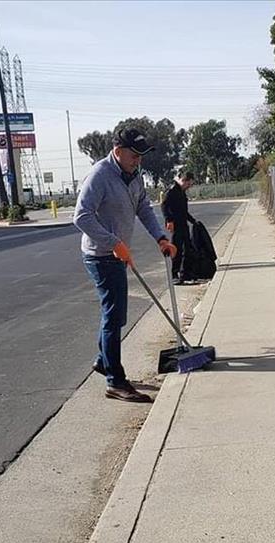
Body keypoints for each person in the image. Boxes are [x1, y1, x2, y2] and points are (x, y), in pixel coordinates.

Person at [74, 128, 177, 402]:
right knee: (113, 315)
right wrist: (113, 243)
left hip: (117, 254)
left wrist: (160, 238)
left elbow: (143, 207)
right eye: (134, 155)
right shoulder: (100, 175)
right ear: (118, 152)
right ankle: (115, 381)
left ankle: (102, 360)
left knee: (117, 315)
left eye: (141, 156)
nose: (138, 161)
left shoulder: (134, 177)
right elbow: (81, 216)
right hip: (100, 255)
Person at [161, 170, 197, 284]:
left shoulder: (182, 192)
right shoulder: (172, 190)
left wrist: (193, 221)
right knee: (177, 249)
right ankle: (174, 274)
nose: (189, 186)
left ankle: (185, 273)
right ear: (183, 180)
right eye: (188, 184)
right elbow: (164, 206)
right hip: (176, 224)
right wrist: (169, 220)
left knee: (188, 248)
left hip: (183, 224)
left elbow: (184, 211)